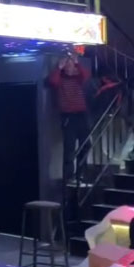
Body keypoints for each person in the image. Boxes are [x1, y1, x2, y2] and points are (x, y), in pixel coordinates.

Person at [49, 52, 91, 184]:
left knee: (86, 144)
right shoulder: (60, 78)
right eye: (67, 64)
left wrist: (77, 63)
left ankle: (81, 173)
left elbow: (86, 75)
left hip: (81, 114)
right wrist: (59, 68)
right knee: (69, 148)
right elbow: (53, 81)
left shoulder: (78, 77)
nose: (69, 66)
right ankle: (69, 177)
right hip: (68, 116)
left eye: (71, 64)